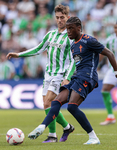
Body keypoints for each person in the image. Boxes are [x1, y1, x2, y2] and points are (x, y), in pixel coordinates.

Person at [27, 16, 117, 145]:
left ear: (78, 28)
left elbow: (109, 53)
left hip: (88, 77)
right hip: (77, 76)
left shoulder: (89, 40)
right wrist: (67, 77)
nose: (68, 31)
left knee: (72, 107)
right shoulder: (73, 45)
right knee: (56, 102)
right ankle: (42, 127)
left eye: (70, 29)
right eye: (67, 29)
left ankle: (93, 137)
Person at [6, 4, 75, 143]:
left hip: (60, 75)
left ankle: (52, 135)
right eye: (57, 17)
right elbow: (37, 49)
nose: (60, 20)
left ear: (68, 18)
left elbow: (74, 60)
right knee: (46, 105)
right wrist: (18, 55)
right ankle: (67, 127)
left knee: (49, 102)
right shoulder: (50, 34)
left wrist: (67, 77)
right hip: (48, 74)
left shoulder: (70, 37)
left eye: (62, 17)